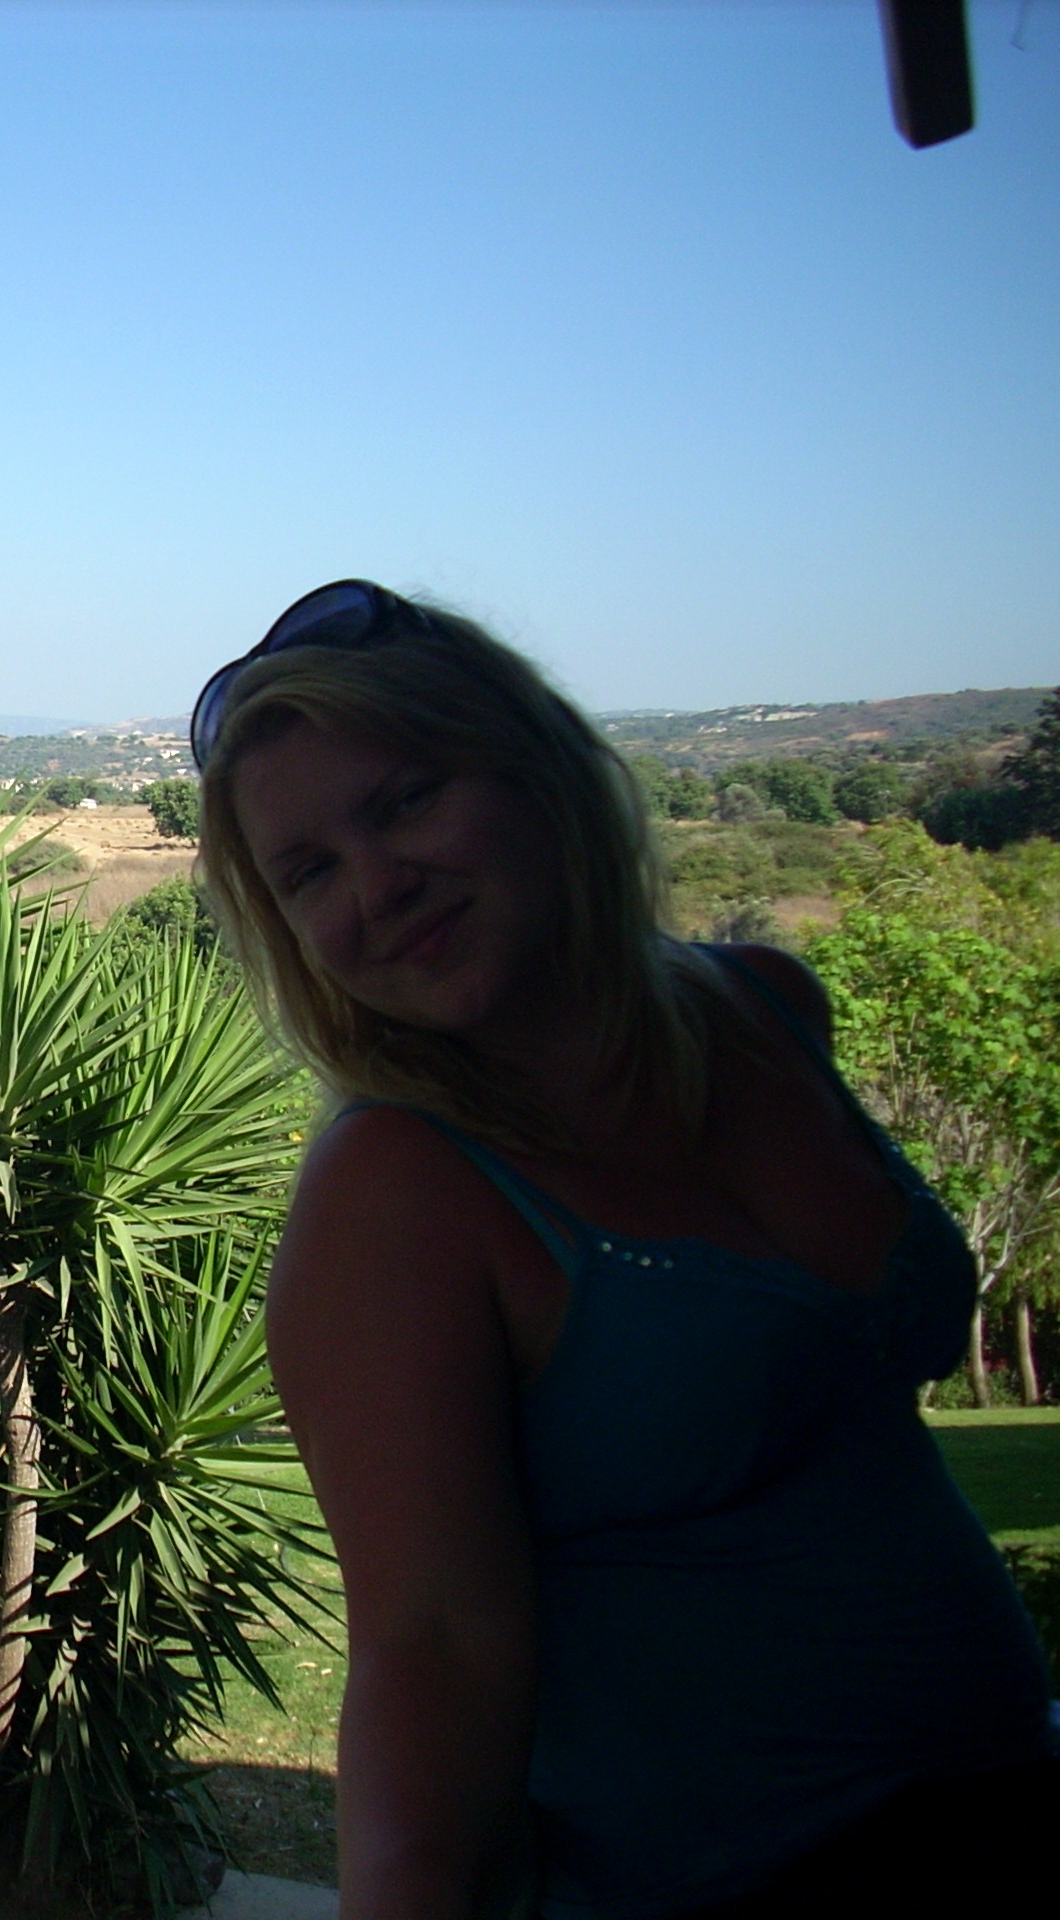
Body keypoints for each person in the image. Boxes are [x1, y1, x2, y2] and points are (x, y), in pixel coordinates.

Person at [187, 582, 1054, 1920]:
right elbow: (431, 1651)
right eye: (309, 873)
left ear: (535, 763)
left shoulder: (765, 1007)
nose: (378, 885)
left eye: (404, 802)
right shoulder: (399, 1191)